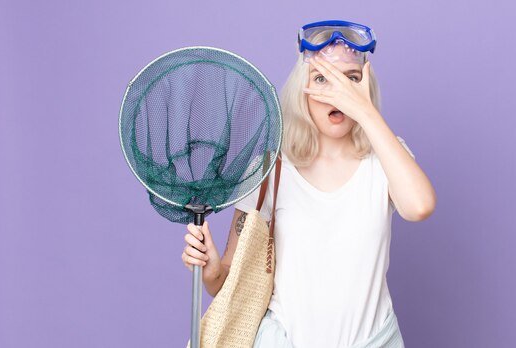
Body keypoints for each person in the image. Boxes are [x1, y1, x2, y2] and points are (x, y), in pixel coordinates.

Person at [181, 20, 436, 347]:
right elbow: (225, 283)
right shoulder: (270, 168)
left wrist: (365, 111)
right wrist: (210, 265)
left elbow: (419, 206)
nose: (338, 93)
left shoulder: (385, 158)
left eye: (351, 80)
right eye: (322, 79)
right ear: (303, 88)